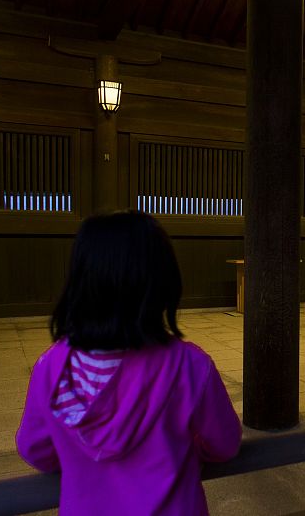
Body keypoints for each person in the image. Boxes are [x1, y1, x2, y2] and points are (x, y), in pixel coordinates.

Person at [16, 210, 242, 516]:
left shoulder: (52, 368)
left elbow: (36, 450)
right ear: (162, 281)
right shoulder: (190, 366)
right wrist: (184, 448)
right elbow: (225, 444)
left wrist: (78, 456)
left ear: (80, 281)